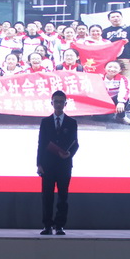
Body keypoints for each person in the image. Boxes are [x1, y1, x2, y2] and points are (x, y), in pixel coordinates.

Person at [37, 90, 79, 235]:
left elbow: (75, 144)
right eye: (56, 101)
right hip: (47, 165)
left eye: (61, 102)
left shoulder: (72, 122)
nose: (59, 104)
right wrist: (39, 164)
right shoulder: (45, 122)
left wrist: (69, 154)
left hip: (64, 165)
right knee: (47, 196)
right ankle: (47, 225)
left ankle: (60, 225)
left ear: (65, 104)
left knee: (63, 196)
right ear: (52, 103)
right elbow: (41, 144)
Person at [102, 10, 130, 83]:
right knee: (109, 80)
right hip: (110, 59)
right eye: (113, 17)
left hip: (125, 58)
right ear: (109, 19)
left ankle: (125, 91)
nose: (116, 18)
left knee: (125, 80)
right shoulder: (105, 31)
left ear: (121, 17)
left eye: (118, 16)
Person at [103, 60, 130, 125]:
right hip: (103, 100)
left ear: (120, 70)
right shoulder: (99, 77)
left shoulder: (123, 79)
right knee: (100, 118)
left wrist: (121, 102)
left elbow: (125, 91)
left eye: (115, 68)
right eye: (109, 67)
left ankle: (121, 117)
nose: (112, 69)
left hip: (116, 99)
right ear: (105, 68)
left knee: (126, 98)